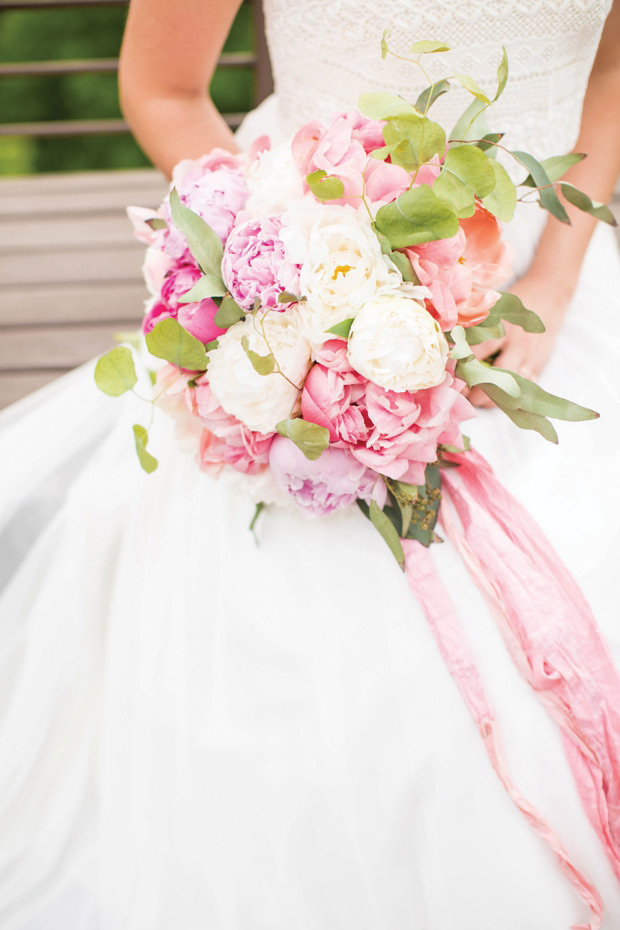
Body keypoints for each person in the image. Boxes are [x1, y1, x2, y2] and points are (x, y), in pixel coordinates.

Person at [1, 1, 619, 927]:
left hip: (548, 281)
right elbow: (162, 86)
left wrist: (555, 283)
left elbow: (608, 73)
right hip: (315, 281)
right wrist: (303, 294)